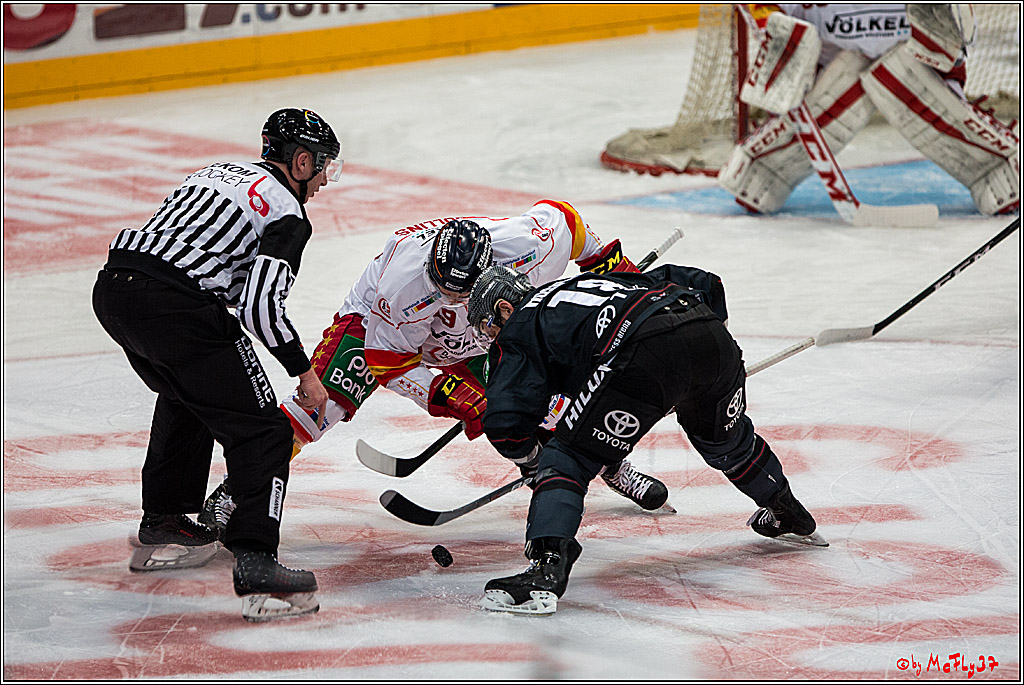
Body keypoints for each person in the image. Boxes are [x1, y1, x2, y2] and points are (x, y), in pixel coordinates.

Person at [200, 202, 672, 534]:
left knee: (546, 400)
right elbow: (389, 364)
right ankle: (240, 488)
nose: (451, 298)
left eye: (460, 291)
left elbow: (571, 225)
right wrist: (454, 396)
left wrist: (621, 273)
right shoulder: (402, 283)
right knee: (322, 407)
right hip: (380, 332)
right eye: (444, 287)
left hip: (483, 330)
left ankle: (608, 463)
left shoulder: (529, 245)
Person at [91, 108, 342, 622]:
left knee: (189, 392)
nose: (321, 181)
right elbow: (259, 308)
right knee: (265, 433)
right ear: (299, 161)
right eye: (322, 167)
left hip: (114, 290)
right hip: (177, 307)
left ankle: (164, 519)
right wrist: (305, 373)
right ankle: (258, 566)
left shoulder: (215, 171)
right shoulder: (288, 214)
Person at [466, 264, 825, 615]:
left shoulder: (518, 327)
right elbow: (703, 281)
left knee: (567, 459)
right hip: (709, 334)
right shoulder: (586, 282)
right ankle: (787, 512)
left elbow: (504, 422)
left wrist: (533, 463)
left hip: (644, 351)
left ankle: (545, 571)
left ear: (504, 308)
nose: (489, 336)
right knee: (726, 443)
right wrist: (696, 352)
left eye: (486, 326)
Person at [719, 4, 1018, 217]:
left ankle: (995, 165)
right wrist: (775, 26)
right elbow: (768, 13)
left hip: (916, 66)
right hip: (834, 65)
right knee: (854, 70)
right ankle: (765, 168)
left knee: (901, 74)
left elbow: (951, 47)